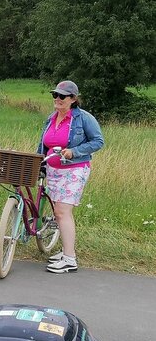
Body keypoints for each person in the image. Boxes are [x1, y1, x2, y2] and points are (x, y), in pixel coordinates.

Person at [38, 80, 104, 274]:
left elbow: (98, 141)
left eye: (62, 96)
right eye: (55, 95)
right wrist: (39, 162)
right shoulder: (51, 118)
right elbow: (43, 144)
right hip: (53, 169)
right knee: (59, 211)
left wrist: (73, 152)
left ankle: (69, 260)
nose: (57, 99)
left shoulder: (83, 118)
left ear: (73, 99)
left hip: (74, 168)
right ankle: (66, 251)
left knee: (62, 211)